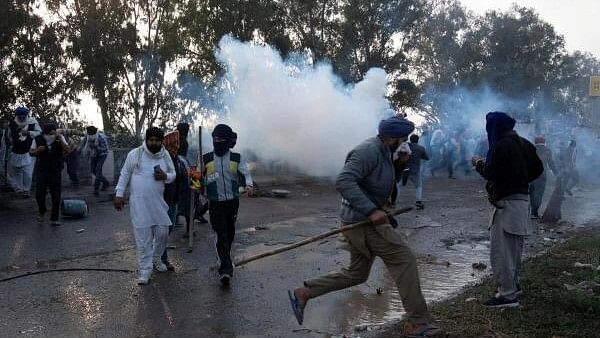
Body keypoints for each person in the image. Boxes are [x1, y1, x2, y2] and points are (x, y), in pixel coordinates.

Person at [289, 116, 441, 337]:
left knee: (357, 273)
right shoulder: (368, 151)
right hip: (362, 223)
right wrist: (372, 210)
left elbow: (381, 183)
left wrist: (399, 166)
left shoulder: (386, 152)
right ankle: (418, 323)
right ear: (391, 138)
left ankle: (304, 292)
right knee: (404, 259)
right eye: (403, 138)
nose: (406, 142)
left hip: (363, 221)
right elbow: (344, 181)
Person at [472, 112, 543, 308]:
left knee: (501, 252)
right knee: (514, 249)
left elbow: (491, 172)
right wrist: (520, 180)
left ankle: (508, 295)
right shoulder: (525, 143)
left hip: (506, 204)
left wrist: (478, 163)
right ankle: (514, 285)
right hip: (521, 201)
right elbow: (538, 169)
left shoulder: (501, 145)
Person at [114, 127, 176, 285]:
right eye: (151, 140)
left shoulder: (165, 154)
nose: (153, 143)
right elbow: (125, 174)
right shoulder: (135, 154)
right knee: (143, 240)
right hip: (139, 204)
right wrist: (119, 194)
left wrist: (165, 176)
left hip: (158, 203)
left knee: (163, 232)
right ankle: (145, 271)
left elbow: (173, 174)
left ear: (161, 141)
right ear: (146, 139)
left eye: (157, 140)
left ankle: (156, 259)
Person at [203, 124, 253, 287]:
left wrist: (249, 185)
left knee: (230, 233)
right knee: (221, 233)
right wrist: (197, 182)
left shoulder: (237, 158)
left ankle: (224, 257)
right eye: (215, 138)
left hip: (232, 202)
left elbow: (246, 173)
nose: (217, 141)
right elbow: (198, 178)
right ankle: (225, 270)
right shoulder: (206, 158)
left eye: (220, 139)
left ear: (227, 140)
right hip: (215, 202)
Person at [30, 123, 69, 226]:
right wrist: (38, 150)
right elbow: (31, 152)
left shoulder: (59, 138)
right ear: (44, 133)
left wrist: (60, 138)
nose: (50, 137)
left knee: (56, 194)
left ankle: (54, 218)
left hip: (55, 170)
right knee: (39, 194)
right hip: (42, 170)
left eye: (52, 134)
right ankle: (42, 210)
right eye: (48, 135)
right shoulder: (38, 139)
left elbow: (67, 150)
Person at [161, 130, 188, 271]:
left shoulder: (176, 158)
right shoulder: (163, 158)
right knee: (164, 229)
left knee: (168, 228)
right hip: (164, 198)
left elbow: (180, 175)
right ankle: (161, 258)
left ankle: (160, 255)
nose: (177, 145)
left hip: (174, 197)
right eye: (174, 142)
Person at [5, 106, 41, 197]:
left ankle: (26, 190)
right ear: (16, 116)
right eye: (19, 117)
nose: (21, 118)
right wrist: (11, 140)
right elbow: (9, 135)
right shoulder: (12, 123)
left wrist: (29, 133)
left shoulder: (32, 122)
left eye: (23, 117)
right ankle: (19, 190)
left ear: (26, 115)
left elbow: (39, 132)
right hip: (16, 150)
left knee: (28, 172)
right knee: (16, 171)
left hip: (28, 150)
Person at [398, 134, 430, 209]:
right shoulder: (421, 148)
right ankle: (418, 201)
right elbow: (426, 158)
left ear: (410, 139)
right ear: (418, 140)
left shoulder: (406, 145)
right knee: (418, 186)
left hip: (405, 169)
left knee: (400, 186)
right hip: (415, 170)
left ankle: (393, 201)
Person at [529, 136, 556, 219]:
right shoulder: (547, 150)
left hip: (531, 175)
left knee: (532, 193)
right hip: (541, 175)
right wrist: (556, 173)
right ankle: (534, 212)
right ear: (544, 143)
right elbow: (551, 163)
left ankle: (532, 211)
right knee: (539, 193)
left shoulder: (530, 149)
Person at [81, 126, 110, 196]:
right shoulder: (87, 136)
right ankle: (105, 182)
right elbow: (83, 143)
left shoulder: (101, 137)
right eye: (89, 135)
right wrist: (79, 149)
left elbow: (105, 149)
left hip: (102, 155)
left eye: (91, 135)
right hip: (93, 154)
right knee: (93, 170)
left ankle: (96, 189)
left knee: (98, 170)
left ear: (94, 133)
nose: (90, 136)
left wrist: (96, 147)